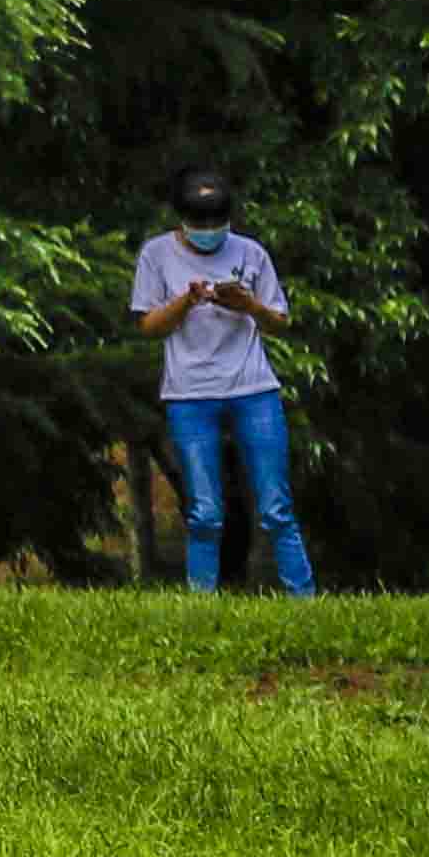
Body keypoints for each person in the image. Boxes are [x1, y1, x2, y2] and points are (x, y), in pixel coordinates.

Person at [129, 162, 312, 597]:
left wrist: (248, 306)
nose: (209, 231)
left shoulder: (251, 253)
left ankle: (304, 599)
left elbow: (279, 321)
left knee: (276, 506)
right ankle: (201, 604)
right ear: (182, 219)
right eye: (200, 223)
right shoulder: (156, 255)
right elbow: (149, 325)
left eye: (217, 223)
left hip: (253, 388)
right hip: (189, 393)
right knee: (205, 512)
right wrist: (187, 302)